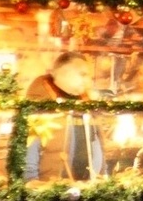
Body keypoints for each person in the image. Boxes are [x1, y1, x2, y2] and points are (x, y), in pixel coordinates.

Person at [25, 52, 103, 181]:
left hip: (87, 186)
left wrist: (101, 173)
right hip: (52, 188)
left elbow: (95, 140)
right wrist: (31, 181)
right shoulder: (41, 104)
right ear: (63, 72)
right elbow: (30, 147)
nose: (87, 80)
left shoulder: (86, 102)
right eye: (82, 74)